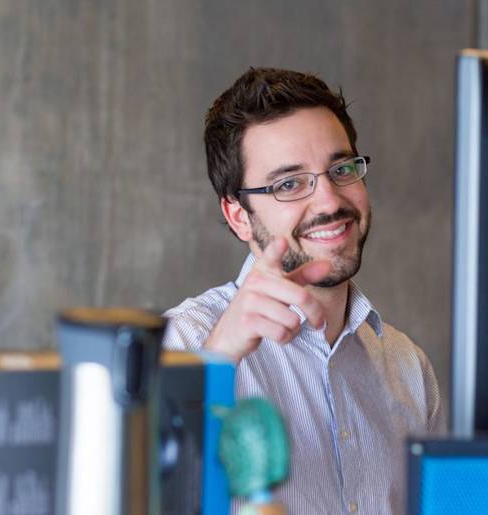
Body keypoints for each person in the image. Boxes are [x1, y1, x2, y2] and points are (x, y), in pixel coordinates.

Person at [163, 67, 444, 514]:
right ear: (238, 215)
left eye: (341, 168)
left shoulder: (409, 368)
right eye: (290, 183)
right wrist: (213, 365)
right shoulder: (181, 347)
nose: (330, 201)